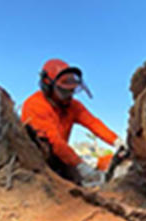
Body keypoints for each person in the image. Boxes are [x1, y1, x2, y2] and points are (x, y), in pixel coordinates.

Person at [20, 59, 124, 187]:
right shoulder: (35, 105)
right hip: (38, 160)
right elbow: (55, 142)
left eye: (72, 90)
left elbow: (93, 123)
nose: (69, 95)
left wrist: (117, 141)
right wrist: (80, 166)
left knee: (106, 165)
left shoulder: (73, 106)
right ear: (48, 85)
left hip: (62, 157)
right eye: (64, 91)